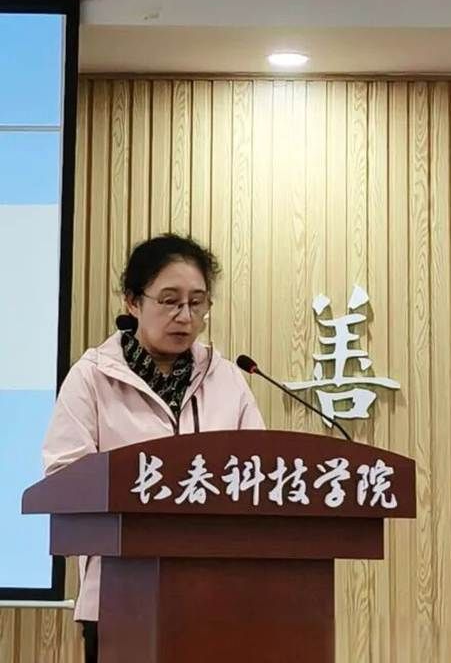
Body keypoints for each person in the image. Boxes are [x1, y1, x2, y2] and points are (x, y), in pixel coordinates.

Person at [41, 234, 265, 663]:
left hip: (216, 594)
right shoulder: (92, 377)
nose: (186, 316)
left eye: (197, 303)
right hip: (120, 598)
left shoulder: (227, 379)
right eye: (169, 301)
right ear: (133, 301)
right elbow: (64, 477)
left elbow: (258, 472)